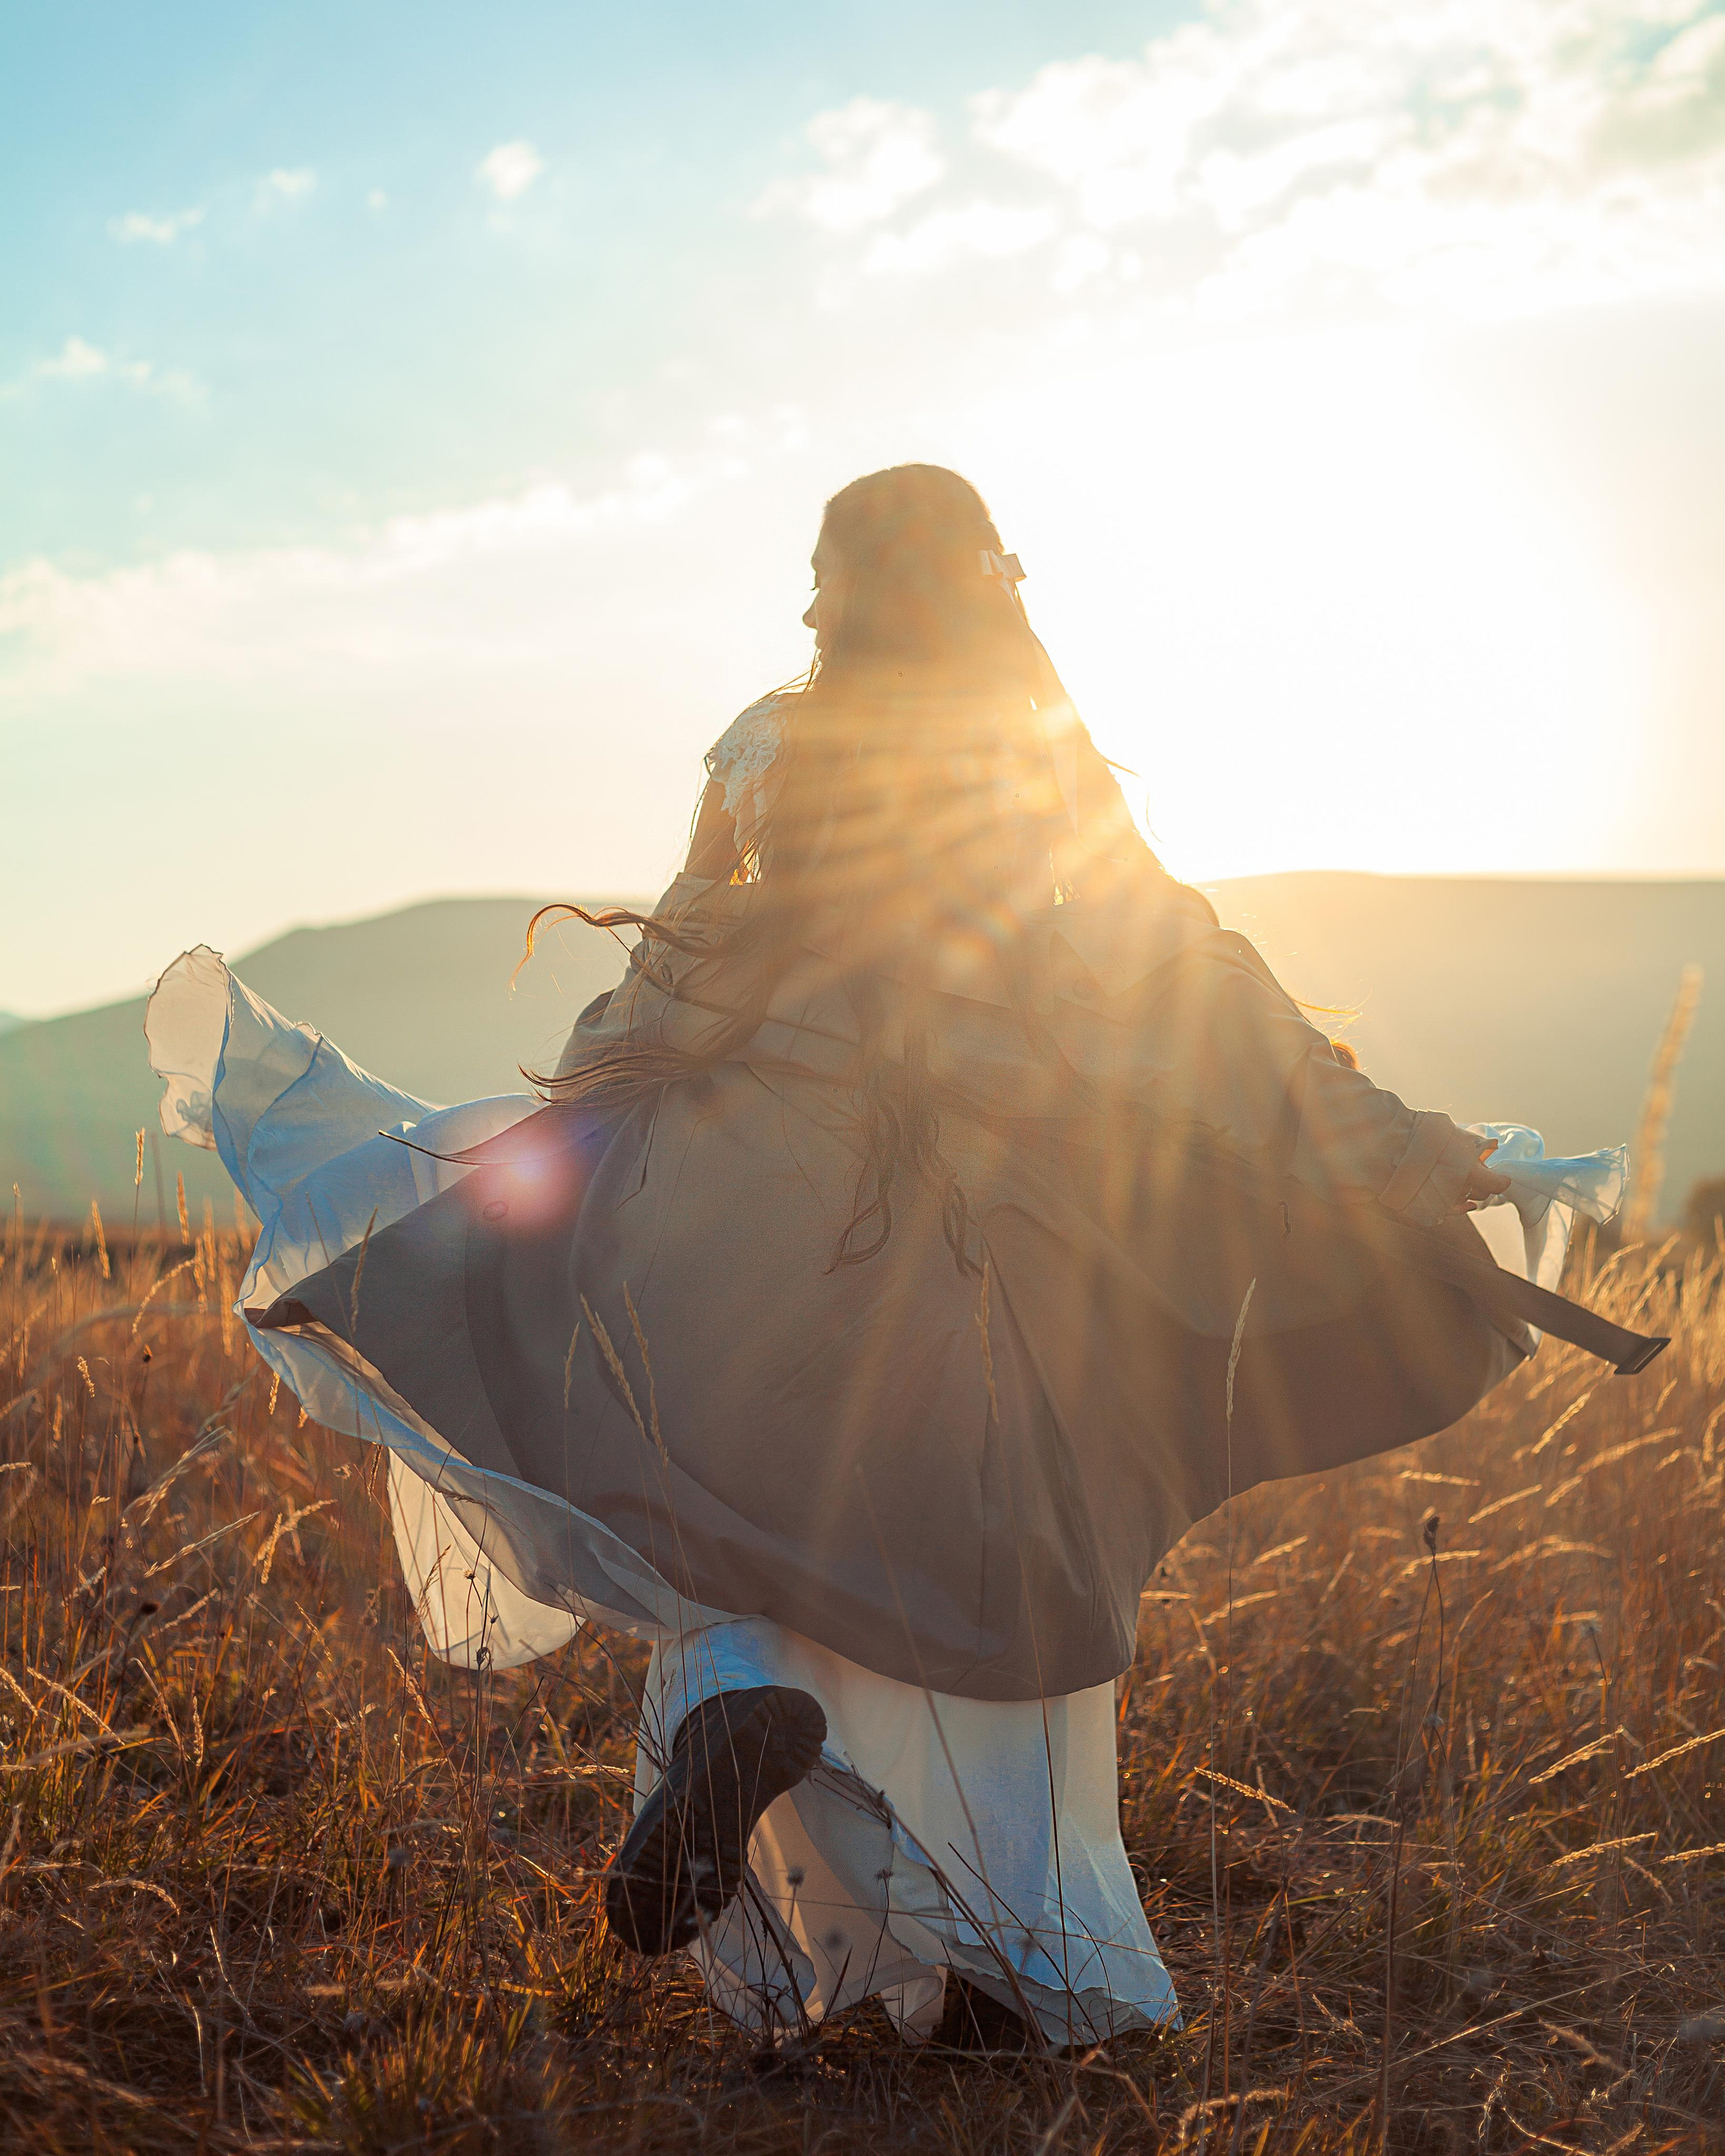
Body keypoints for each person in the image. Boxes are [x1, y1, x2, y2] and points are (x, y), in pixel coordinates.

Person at [146, 463, 1658, 2052]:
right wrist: (1416, 1150)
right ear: (990, 586)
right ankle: (1001, 1960)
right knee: (970, 1582)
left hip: (711, 1185)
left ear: (841, 590)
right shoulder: (1036, 769)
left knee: (657, 1460)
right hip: (945, 1228)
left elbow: (675, 960)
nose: (805, 604)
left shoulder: (765, 745)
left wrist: (584, 1116)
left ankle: (732, 1695)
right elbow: (1200, 993)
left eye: (816, 575)